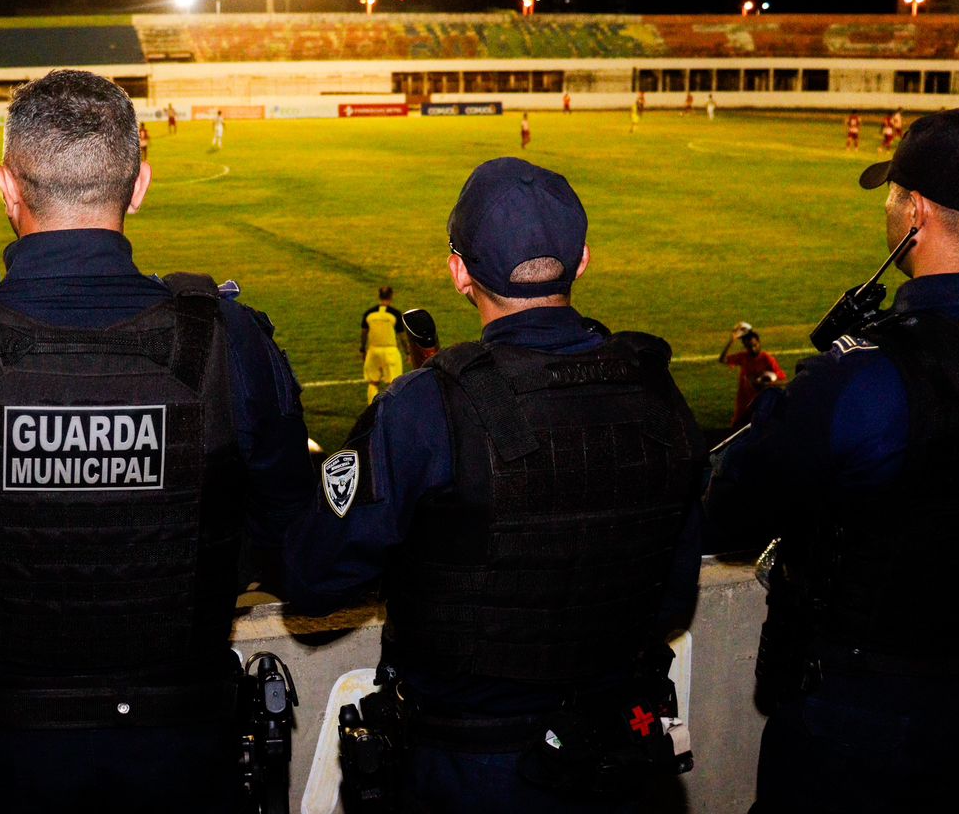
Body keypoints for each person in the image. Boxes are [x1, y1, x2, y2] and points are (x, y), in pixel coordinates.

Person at [0, 70, 311, 814]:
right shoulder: (234, 343)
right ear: (141, 183)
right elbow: (295, 541)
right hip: (185, 754)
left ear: (7, 187)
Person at [286, 157, 704, 813]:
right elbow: (673, 594)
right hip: (617, 760)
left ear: (458, 272)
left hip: (470, 769)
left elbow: (314, 575)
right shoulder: (657, 391)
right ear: (583, 260)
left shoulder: (426, 408)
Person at [706, 107, 959, 812]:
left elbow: (730, 511)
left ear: (917, 216)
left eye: (895, 198)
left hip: (860, 722)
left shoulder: (869, 379)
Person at [718, 324, 787, 427]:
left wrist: (766, 384)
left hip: (760, 405)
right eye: (749, 347)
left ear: (759, 343)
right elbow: (722, 359)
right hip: (744, 404)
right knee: (736, 430)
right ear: (745, 347)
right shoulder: (743, 357)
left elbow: (784, 381)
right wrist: (732, 340)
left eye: (755, 345)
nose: (753, 349)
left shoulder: (767, 359)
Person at [360, 285, 406, 403]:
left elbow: (364, 333)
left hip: (373, 351)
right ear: (391, 296)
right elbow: (402, 336)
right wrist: (408, 352)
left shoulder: (369, 313)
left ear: (379, 296)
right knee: (394, 384)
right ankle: (390, 410)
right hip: (390, 352)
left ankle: (371, 409)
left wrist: (362, 349)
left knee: (373, 382)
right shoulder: (395, 314)